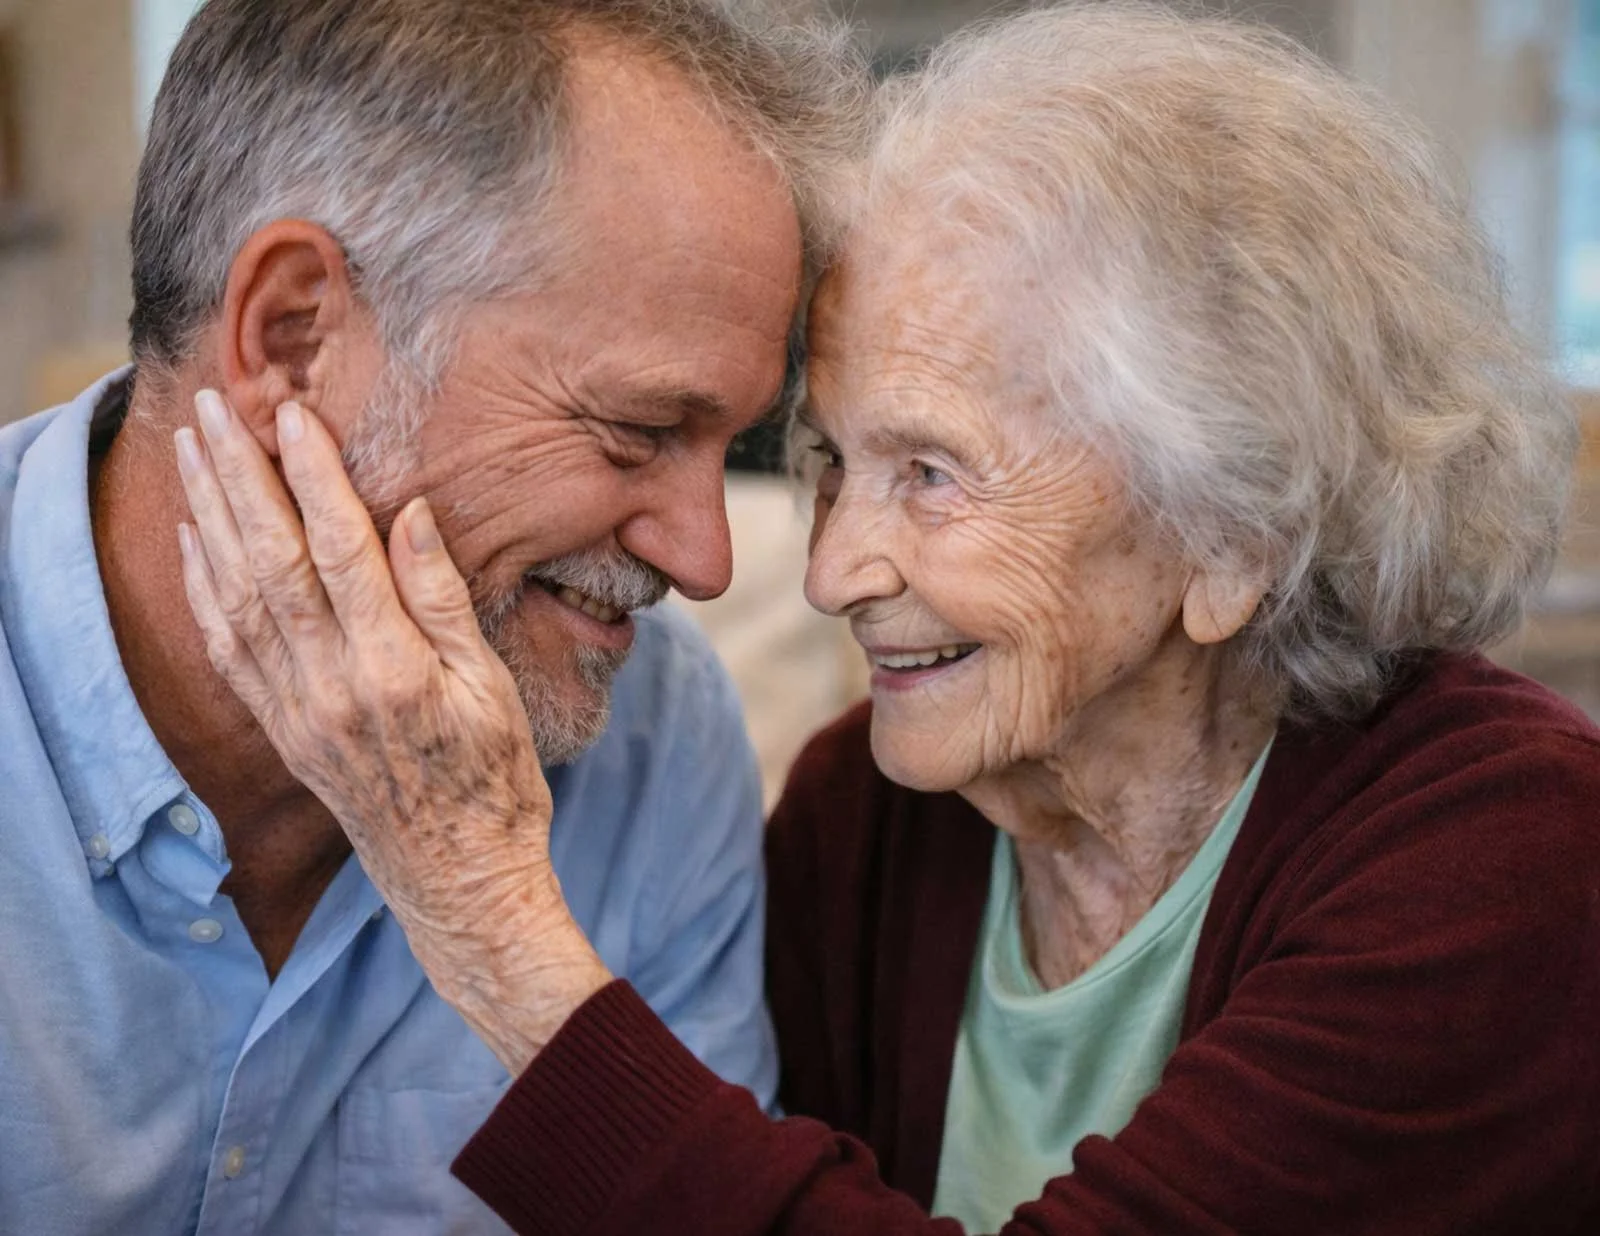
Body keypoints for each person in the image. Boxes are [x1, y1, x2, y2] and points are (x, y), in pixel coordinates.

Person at [175, 3, 1600, 1234]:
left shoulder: (1511, 853)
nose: (830, 567)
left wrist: (483, 911)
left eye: (931, 475)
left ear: (1232, 532)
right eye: (831, 463)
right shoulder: (864, 821)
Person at [0, 1, 864, 1233]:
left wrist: (482, 901)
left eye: (732, 445)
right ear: (292, 341)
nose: (709, 559)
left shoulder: (659, 738)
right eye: (638, 431)